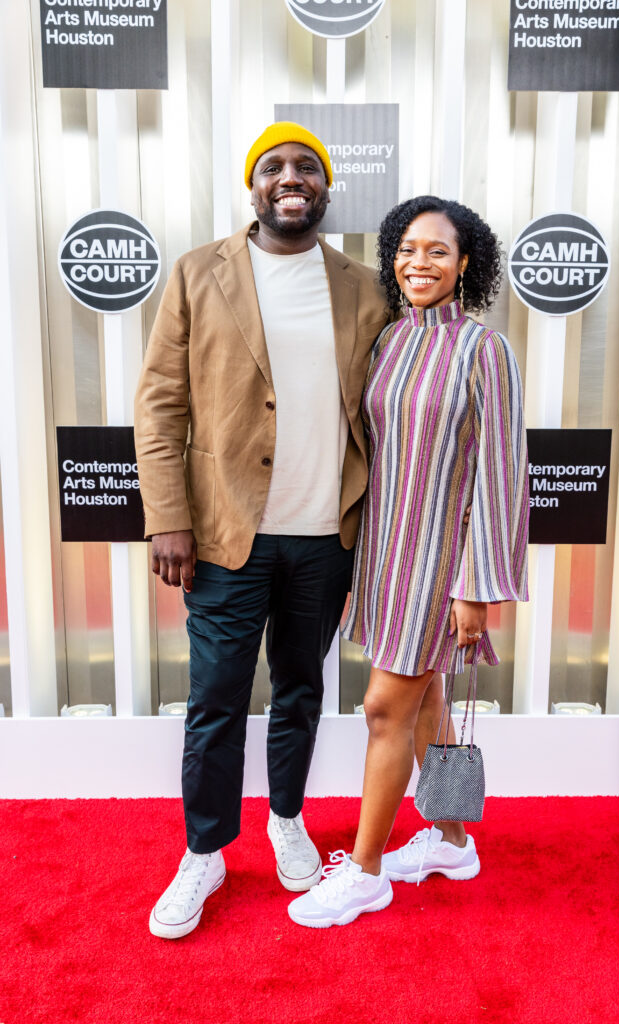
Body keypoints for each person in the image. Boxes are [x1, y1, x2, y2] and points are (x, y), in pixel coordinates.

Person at [134, 122, 388, 939]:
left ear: (324, 188)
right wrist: (168, 514)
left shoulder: (366, 286)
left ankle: (286, 819)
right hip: (224, 533)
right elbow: (161, 403)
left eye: (306, 166)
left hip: (325, 537)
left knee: (301, 690)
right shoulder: (196, 273)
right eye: (273, 166)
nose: (291, 177)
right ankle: (204, 851)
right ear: (253, 186)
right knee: (213, 699)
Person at [288, 195, 529, 928]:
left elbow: (500, 471)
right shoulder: (390, 341)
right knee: (424, 703)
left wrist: (474, 586)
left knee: (382, 709)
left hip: (441, 563)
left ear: (466, 265)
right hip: (387, 554)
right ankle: (452, 841)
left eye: (437, 251)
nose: (418, 263)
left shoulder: (484, 349)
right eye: (407, 249)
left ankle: (362, 872)